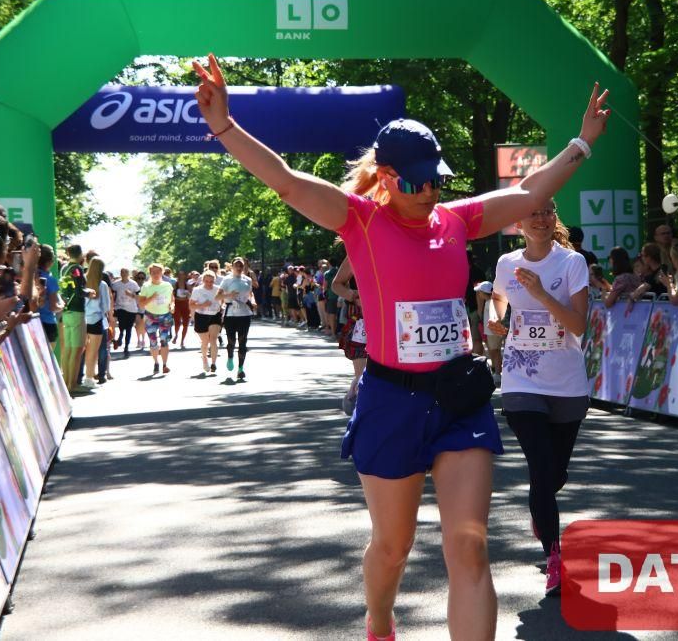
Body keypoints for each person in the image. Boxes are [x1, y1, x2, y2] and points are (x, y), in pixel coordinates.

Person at [193, 52, 609, 640]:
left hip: (459, 398)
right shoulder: (359, 220)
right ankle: (379, 621)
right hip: (391, 401)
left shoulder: (458, 221)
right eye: (416, 181)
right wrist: (223, 125)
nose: (430, 190)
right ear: (387, 177)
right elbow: (285, 180)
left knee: (469, 546)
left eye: (437, 178)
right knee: (393, 547)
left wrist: (582, 142)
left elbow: (528, 191)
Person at [486, 200, 588, 596]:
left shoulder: (571, 263)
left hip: (566, 382)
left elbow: (578, 325)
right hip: (521, 380)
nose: (542, 219)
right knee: (542, 469)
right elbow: (498, 298)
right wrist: (497, 319)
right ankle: (554, 557)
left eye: (548, 212)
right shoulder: (506, 263)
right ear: (518, 222)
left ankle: (540, 507)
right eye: (534, 213)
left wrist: (542, 294)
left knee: (554, 475)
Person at [332, 257, 367, 413]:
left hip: (394, 319)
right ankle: (359, 401)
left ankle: (354, 392)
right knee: (362, 374)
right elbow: (336, 284)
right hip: (363, 320)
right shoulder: (358, 252)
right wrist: (354, 295)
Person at [217, 256, 254, 380]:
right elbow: (217, 297)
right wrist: (229, 295)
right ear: (232, 267)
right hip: (231, 314)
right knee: (231, 341)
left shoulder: (248, 280)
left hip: (244, 314)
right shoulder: (227, 279)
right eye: (236, 265)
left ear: (244, 267)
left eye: (241, 265)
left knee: (243, 341)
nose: (239, 267)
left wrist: (253, 302)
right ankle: (230, 357)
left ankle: (241, 369)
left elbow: (250, 294)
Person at [58, 244, 89, 393]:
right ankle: (72, 385)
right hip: (77, 310)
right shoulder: (77, 268)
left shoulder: (64, 268)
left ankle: (65, 382)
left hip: (66, 311)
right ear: (80, 254)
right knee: (77, 350)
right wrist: (89, 292)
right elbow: (78, 290)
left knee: (68, 349)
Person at [138, 263, 175, 375]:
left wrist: (172, 306)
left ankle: (165, 365)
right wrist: (152, 298)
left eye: (158, 272)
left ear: (162, 272)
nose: (156, 274)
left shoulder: (167, 285)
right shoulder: (146, 286)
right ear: (150, 273)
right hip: (151, 316)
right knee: (153, 342)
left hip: (165, 316)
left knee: (164, 340)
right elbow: (141, 304)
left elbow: (172, 299)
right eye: (153, 272)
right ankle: (156, 363)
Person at [189, 269, 222, 375]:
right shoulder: (197, 290)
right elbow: (191, 305)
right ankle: (204, 358)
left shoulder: (218, 289)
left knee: (213, 339)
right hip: (201, 317)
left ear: (214, 281)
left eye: (211, 281)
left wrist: (221, 306)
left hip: (215, 316)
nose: (209, 283)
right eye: (207, 281)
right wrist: (203, 305)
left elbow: (223, 301)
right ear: (203, 280)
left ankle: (213, 363)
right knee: (205, 341)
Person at [83, 258, 109, 387]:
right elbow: (106, 306)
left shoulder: (82, 280)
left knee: (81, 350)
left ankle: (78, 377)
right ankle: (89, 378)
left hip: (82, 319)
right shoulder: (102, 284)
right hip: (97, 319)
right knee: (93, 351)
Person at [475, 281, 503, 384]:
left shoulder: (490, 303)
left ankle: (498, 374)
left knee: (495, 352)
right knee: (495, 351)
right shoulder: (490, 302)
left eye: (480, 292)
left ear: (484, 293)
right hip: (492, 332)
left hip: (493, 333)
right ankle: (497, 372)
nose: (479, 294)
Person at [35, 245, 63, 348]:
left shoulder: (31, 276)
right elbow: (54, 307)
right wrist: (62, 305)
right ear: (50, 262)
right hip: (48, 324)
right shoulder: (50, 280)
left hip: (32, 324)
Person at [111, 268, 140, 358]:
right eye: (122, 272)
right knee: (121, 324)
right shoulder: (116, 284)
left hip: (131, 309)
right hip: (120, 307)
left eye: (125, 272)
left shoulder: (133, 284)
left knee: (129, 328)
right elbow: (111, 294)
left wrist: (131, 294)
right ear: (120, 274)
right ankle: (120, 335)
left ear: (128, 274)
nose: (123, 274)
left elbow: (138, 295)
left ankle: (126, 346)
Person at [173, 270, 192, 349]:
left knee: (185, 324)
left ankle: (182, 341)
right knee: (177, 323)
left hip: (186, 305)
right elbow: (172, 295)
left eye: (183, 274)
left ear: (185, 276)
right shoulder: (175, 284)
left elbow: (191, 296)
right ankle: (176, 335)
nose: (181, 276)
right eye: (180, 274)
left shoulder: (188, 285)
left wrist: (188, 294)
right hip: (177, 305)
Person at [133, 270, 148, 350]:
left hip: (145, 308)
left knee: (143, 325)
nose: (141, 280)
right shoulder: (134, 286)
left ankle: (143, 340)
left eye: (142, 278)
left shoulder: (147, 286)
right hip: (136, 308)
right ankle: (138, 340)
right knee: (137, 325)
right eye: (139, 278)